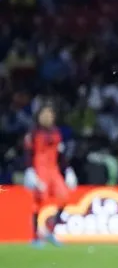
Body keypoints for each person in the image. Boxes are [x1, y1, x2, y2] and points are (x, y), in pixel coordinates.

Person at [24, 105, 77, 246]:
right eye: (45, 114)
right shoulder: (34, 133)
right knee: (38, 203)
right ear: (39, 116)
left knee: (65, 197)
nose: (47, 117)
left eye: (50, 114)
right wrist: (30, 170)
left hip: (54, 170)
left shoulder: (56, 132)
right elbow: (28, 153)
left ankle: (51, 229)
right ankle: (35, 237)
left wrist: (68, 170)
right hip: (39, 170)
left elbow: (61, 154)